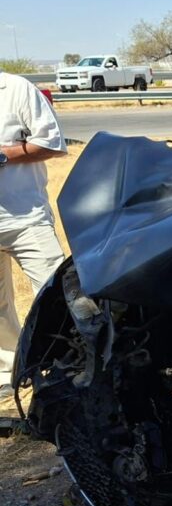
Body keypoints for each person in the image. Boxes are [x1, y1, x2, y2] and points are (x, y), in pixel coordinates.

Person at [0, 71, 67, 400]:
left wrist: (2, 155)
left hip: (26, 218)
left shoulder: (16, 89)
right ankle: (9, 371)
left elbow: (52, 143)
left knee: (55, 292)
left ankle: (63, 367)